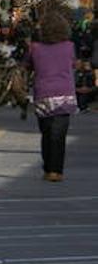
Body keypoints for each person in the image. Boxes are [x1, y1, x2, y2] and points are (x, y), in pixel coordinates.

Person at [25, 10, 79, 182]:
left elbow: (27, 65)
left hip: (44, 94)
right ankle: (56, 170)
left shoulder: (35, 48)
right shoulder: (69, 46)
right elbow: (73, 64)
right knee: (59, 135)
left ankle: (48, 167)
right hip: (65, 94)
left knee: (46, 132)